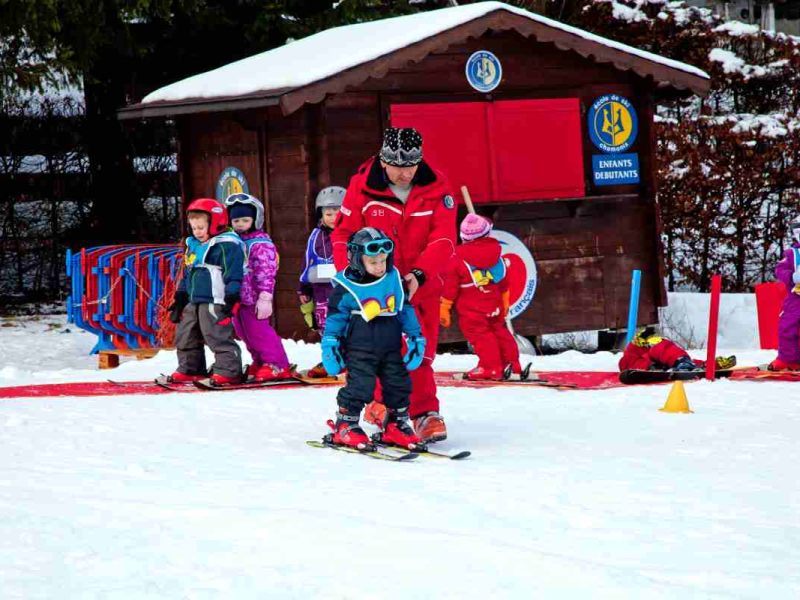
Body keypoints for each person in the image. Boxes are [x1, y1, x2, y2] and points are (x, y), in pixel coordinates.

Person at [332, 127, 456, 442]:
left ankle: (425, 414)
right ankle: (381, 406)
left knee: (419, 352)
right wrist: (355, 280)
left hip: (420, 287)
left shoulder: (437, 187)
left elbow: (443, 238)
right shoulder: (361, 186)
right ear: (383, 161)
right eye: (397, 167)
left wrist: (420, 274)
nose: (404, 174)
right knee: (375, 351)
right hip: (375, 290)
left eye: (410, 167)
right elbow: (343, 236)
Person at [321, 228, 426, 450]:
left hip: (391, 346)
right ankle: (345, 424)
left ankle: (395, 424)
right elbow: (335, 318)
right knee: (362, 385)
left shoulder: (394, 279)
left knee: (399, 384)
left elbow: (405, 309)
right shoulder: (347, 286)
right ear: (359, 260)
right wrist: (331, 343)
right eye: (373, 262)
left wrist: (416, 338)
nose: (380, 267)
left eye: (383, 261)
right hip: (360, 348)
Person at [167, 198, 245, 385]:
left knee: (216, 335)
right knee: (186, 334)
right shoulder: (194, 245)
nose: (197, 232)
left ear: (216, 223)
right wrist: (181, 296)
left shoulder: (226, 245)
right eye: (194, 228)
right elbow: (188, 273)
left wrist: (232, 296)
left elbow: (233, 273)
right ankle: (191, 368)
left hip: (215, 299)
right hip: (193, 300)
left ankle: (229, 370)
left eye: (201, 227)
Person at [439, 213, 522, 380]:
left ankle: (490, 367)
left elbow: (450, 287)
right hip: (495, 303)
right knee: (500, 331)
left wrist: (444, 308)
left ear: (463, 237)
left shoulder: (456, 259)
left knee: (481, 335)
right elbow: (504, 280)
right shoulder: (497, 254)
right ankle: (512, 364)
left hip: (472, 309)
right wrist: (505, 302)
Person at [224, 192, 293, 381]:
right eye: (236, 220)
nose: (240, 225)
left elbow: (266, 271)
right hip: (238, 297)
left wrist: (265, 296)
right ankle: (260, 361)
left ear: (255, 220)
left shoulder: (260, 243)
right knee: (243, 331)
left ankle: (277, 364)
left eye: (245, 220)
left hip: (254, 297)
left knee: (259, 331)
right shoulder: (233, 241)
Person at [297, 186, 345, 377]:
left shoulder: (355, 234)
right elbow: (307, 262)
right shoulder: (316, 236)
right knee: (326, 328)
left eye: (337, 213)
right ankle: (330, 361)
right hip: (322, 293)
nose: (333, 218)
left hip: (347, 292)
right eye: (328, 213)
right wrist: (303, 289)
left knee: (349, 327)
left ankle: (351, 361)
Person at [619, 327, 735, 372]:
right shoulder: (631, 357)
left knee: (663, 348)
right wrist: (635, 345)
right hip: (658, 367)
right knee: (660, 349)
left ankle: (683, 362)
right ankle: (682, 363)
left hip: (672, 364)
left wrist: (712, 364)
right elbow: (626, 362)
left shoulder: (659, 349)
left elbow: (671, 353)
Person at [769, 215, 800, 371]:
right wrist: (792, 276)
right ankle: (788, 359)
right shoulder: (792, 253)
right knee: (788, 326)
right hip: (796, 297)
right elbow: (780, 270)